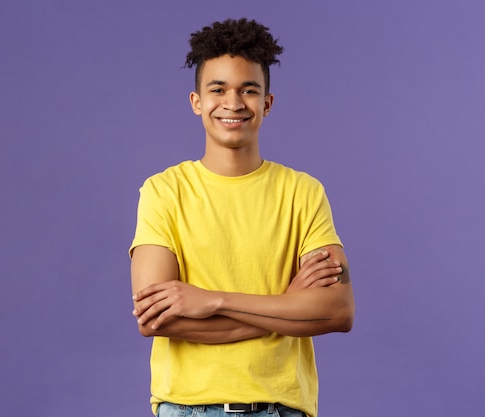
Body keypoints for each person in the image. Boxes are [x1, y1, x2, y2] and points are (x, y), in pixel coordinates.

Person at [130, 18, 355, 417]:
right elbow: (155, 320)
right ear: (196, 101)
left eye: (248, 90)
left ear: (266, 103)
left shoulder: (303, 192)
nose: (233, 103)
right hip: (187, 409)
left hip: (281, 409)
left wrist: (211, 300)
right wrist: (287, 305)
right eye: (217, 89)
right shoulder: (163, 191)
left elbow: (337, 311)